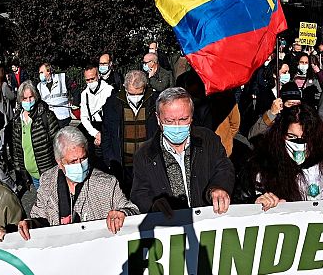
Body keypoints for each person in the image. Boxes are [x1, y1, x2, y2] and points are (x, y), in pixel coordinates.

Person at [17, 127, 139, 239]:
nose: (79, 165)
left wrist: (123, 213)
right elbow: (39, 217)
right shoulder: (47, 181)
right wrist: (30, 224)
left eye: (83, 158)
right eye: (73, 161)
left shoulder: (107, 184)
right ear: (59, 162)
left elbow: (133, 210)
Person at [131, 87, 234, 215]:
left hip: (207, 220)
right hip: (171, 226)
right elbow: (140, 192)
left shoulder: (208, 139)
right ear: (158, 119)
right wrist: (153, 205)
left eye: (183, 119)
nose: (177, 126)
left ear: (191, 117)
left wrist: (219, 187)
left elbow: (224, 168)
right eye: (169, 121)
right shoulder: (144, 154)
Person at [235, 105, 323, 208]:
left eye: (304, 138)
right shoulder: (261, 164)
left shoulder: (321, 165)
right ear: (280, 134)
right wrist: (255, 201)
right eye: (291, 137)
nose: (298, 144)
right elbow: (240, 199)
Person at [101, 70, 159, 193]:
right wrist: (109, 159)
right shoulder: (112, 103)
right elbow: (106, 134)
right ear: (125, 88)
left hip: (149, 162)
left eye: (139, 93)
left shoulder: (156, 102)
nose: (135, 98)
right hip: (123, 164)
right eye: (131, 94)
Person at [12, 81, 61, 189]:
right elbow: (16, 148)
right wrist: (19, 171)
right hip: (32, 174)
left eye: (31, 97)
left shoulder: (46, 116)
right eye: (24, 98)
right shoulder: (17, 120)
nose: (28, 101)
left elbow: (58, 143)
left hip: (48, 173)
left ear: (36, 96)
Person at [79, 63, 113, 155]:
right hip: (92, 127)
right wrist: (95, 134)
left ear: (98, 76)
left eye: (92, 79)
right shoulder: (84, 94)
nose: (90, 82)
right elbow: (84, 117)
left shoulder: (109, 90)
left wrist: (103, 135)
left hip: (106, 127)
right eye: (87, 80)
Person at [38, 63, 70, 128]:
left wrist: (75, 103)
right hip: (49, 118)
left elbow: (75, 89)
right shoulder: (39, 86)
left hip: (63, 115)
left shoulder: (62, 78)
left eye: (42, 72)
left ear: (48, 71)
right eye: (39, 73)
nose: (40, 75)